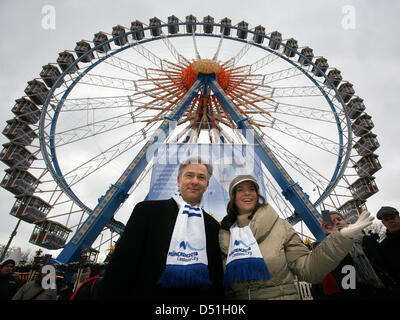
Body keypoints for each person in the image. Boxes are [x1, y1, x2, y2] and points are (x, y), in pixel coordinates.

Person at [219, 174, 373, 300]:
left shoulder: (281, 227)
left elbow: (308, 268)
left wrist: (340, 238)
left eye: (252, 189)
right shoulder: (223, 235)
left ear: (257, 195)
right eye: (240, 190)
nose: (247, 193)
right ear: (233, 197)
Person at [96, 157, 224, 300]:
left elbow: (215, 276)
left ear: (206, 185)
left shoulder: (213, 226)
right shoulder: (147, 212)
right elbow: (121, 268)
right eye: (189, 175)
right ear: (178, 180)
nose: (195, 181)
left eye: (201, 177)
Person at [311, 210, 391, 299]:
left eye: (339, 219)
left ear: (346, 223)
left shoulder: (367, 241)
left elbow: (388, 267)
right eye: (332, 222)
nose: (337, 222)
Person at [376, 206, 400, 288]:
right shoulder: (383, 247)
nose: (390, 221)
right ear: (383, 223)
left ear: (398, 218)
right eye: (386, 220)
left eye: (392, 217)